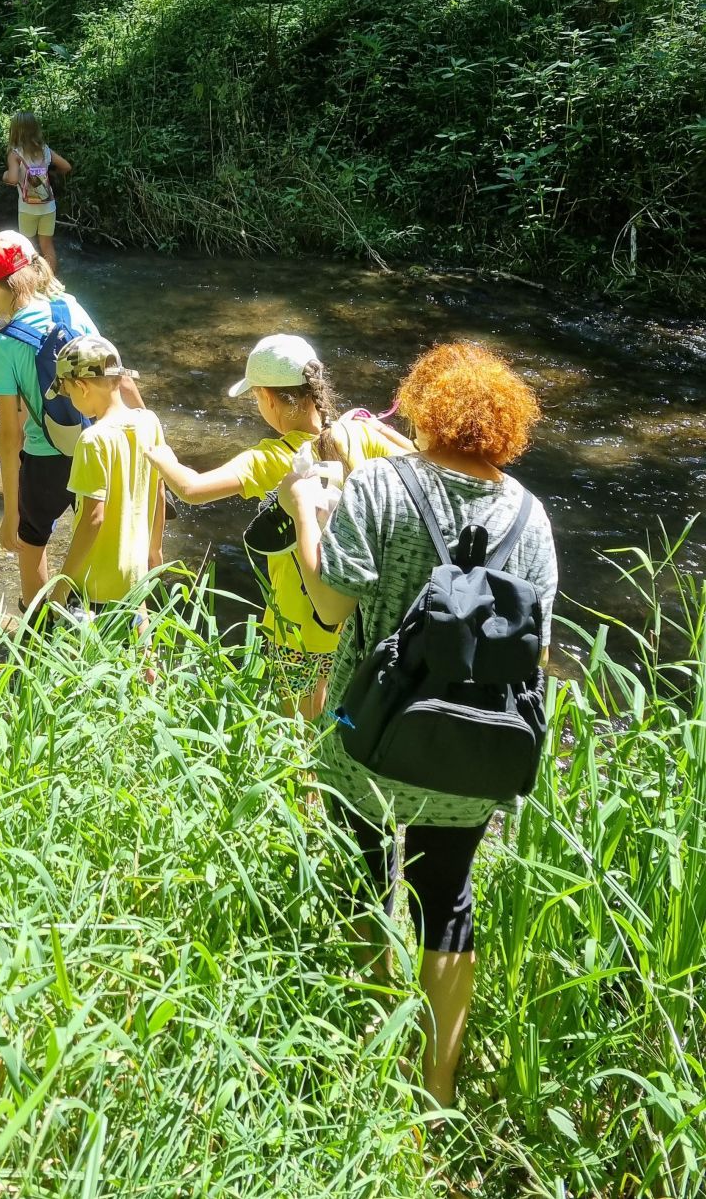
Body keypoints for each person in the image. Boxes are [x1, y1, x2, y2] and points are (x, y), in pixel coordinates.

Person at [280, 341, 558, 1108]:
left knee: (365, 889)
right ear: (507, 425)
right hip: (473, 751)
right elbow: (534, 650)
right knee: (450, 899)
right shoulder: (530, 516)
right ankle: (434, 1093)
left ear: (424, 409)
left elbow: (330, 606)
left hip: (368, 737)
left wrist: (307, 509)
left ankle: (369, 1065)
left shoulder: (380, 483)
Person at [145, 334, 411, 720]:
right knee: (342, 720)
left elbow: (190, 489)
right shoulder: (360, 432)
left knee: (298, 732)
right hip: (359, 614)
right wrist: (383, 430)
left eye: (256, 398)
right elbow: (426, 462)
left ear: (270, 399)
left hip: (300, 621)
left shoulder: (269, 458)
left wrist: (159, 453)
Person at [0, 232, 105, 608]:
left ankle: (38, 623)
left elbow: (10, 437)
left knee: (32, 537)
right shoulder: (71, 307)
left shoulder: (3, 343)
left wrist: (11, 513)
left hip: (47, 457)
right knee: (95, 531)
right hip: (97, 444)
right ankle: (94, 611)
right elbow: (110, 373)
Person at [52, 336, 166, 613]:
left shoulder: (93, 440)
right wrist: (155, 551)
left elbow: (94, 517)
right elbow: (161, 491)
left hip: (96, 584)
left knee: (92, 655)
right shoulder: (149, 421)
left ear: (82, 386)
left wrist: (61, 585)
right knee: (139, 651)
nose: (69, 399)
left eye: (67, 392)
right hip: (136, 575)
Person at [4, 111, 71, 273]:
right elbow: (67, 167)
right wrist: (51, 173)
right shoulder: (46, 150)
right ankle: (51, 284)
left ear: (15, 131)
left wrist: (4, 175)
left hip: (27, 209)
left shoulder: (15, 154)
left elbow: (12, 179)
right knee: (47, 246)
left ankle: (30, 284)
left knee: (27, 245)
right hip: (48, 206)